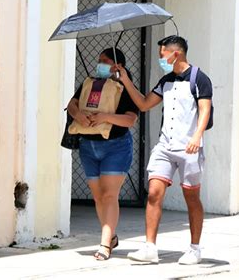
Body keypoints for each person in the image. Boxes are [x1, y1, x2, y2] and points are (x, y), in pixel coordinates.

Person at [112, 35, 213, 265]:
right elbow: (144, 104)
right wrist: (125, 79)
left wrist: (197, 136)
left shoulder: (199, 79)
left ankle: (195, 249)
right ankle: (150, 248)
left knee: (192, 197)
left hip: (189, 148)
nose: (160, 59)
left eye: (162, 54)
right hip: (165, 147)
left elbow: (204, 110)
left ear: (175, 53)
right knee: (154, 193)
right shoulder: (165, 80)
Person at [67, 47, 139, 261]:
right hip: (88, 145)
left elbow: (130, 120)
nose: (100, 64)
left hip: (116, 146)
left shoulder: (125, 88)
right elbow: (72, 103)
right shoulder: (90, 83)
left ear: (118, 65)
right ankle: (112, 236)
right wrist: (78, 114)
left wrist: (105, 117)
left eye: (105, 61)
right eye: (99, 60)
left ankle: (104, 244)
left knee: (109, 195)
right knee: (98, 196)